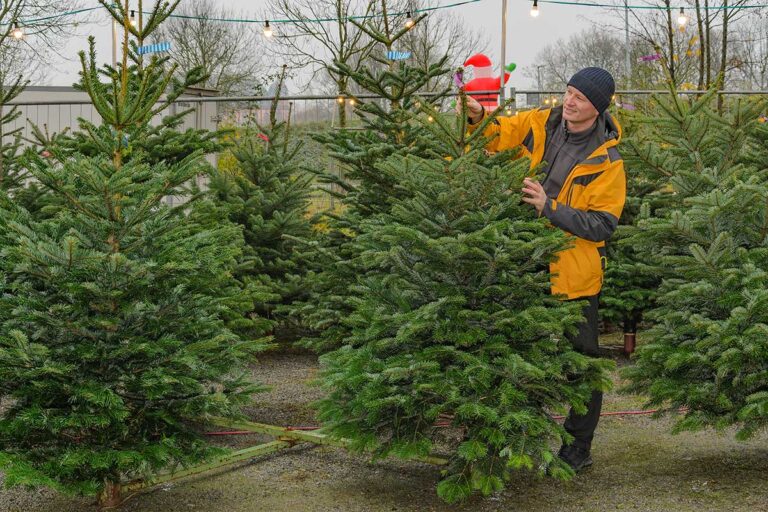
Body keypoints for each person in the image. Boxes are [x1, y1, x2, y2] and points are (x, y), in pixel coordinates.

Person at [462, 67, 626, 472]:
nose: (569, 102)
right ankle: (510, 438)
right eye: (568, 92)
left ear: (598, 107)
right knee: (515, 350)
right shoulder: (541, 122)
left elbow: (602, 224)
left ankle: (577, 450)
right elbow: (497, 135)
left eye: (580, 98)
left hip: (574, 272)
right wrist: (476, 119)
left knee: (581, 362)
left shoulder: (606, 159)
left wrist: (548, 207)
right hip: (525, 261)